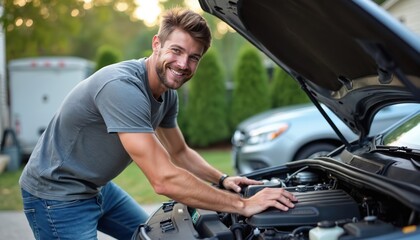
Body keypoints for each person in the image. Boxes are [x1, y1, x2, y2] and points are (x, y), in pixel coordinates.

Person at [19, 7, 297, 240]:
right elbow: (163, 178)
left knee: (158, 236)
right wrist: (243, 205)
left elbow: (179, 153)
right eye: (176, 50)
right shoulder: (122, 88)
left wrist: (222, 179)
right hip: (57, 196)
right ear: (156, 44)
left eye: (193, 57)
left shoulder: (166, 95)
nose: (183, 64)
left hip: (99, 187)